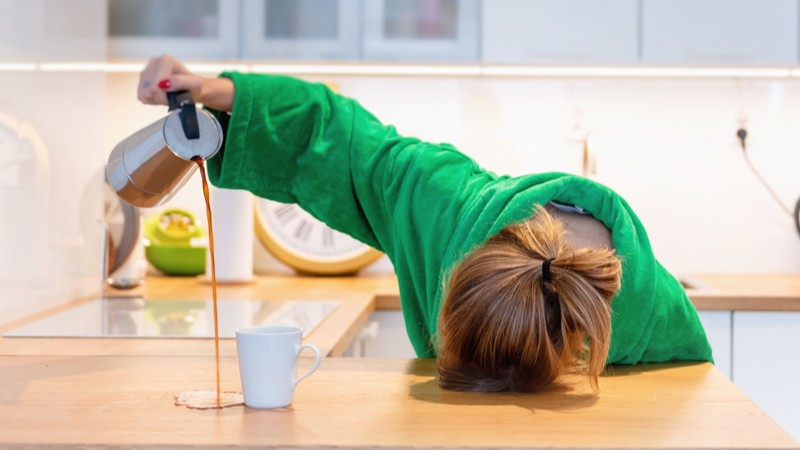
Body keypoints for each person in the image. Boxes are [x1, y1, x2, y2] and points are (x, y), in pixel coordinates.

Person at [138, 55, 713, 393]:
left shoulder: (650, 311)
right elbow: (338, 137)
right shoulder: (439, 203)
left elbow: (688, 398)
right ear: (453, 269)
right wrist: (215, 91)